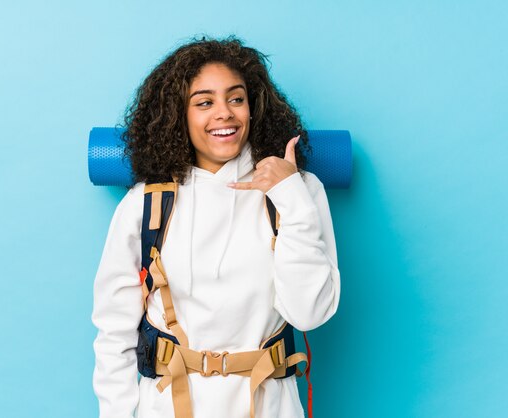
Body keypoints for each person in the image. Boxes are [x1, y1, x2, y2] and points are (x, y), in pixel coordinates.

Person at [91, 36, 340, 418]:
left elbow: (309, 313)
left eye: (236, 99)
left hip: (268, 406)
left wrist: (290, 195)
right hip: (166, 406)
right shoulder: (146, 202)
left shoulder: (299, 190)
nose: (224, 113)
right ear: (179, 115)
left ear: (253, 108)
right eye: (204, 102)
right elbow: (114, 333)